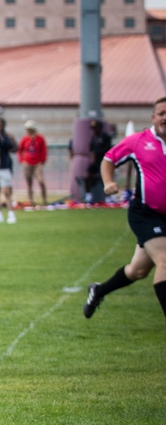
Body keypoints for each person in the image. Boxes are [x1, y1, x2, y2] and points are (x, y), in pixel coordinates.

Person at [84, 96, 166, 322]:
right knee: (165, 261)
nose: (165, 117)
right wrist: (109, 182)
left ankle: (98, 291)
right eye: (162, 113)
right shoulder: (138, 141)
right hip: (146, 213)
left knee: (137, 271)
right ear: (153, 117)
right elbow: (108, 159)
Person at [17, 120, 48, 206]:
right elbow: (20, 150)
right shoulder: (25, 139)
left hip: (37, 163)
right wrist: (21, 160)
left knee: (41, 181)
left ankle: (44, 199)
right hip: (27, 163)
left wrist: (42, 161)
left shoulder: (40, 138)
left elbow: (44, 150)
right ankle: (30, 200)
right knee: (29, 182)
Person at [87, 120, 112, 204]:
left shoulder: (105, 137)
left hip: (104, 162)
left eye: (96, 128)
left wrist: (97, 152)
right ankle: (88, 195)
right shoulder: (93, 137)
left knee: (104, 179)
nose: (94, 130)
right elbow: (91, 149)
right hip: (96, 162)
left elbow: (107, 150)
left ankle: (108, 197)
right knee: (88, 175)